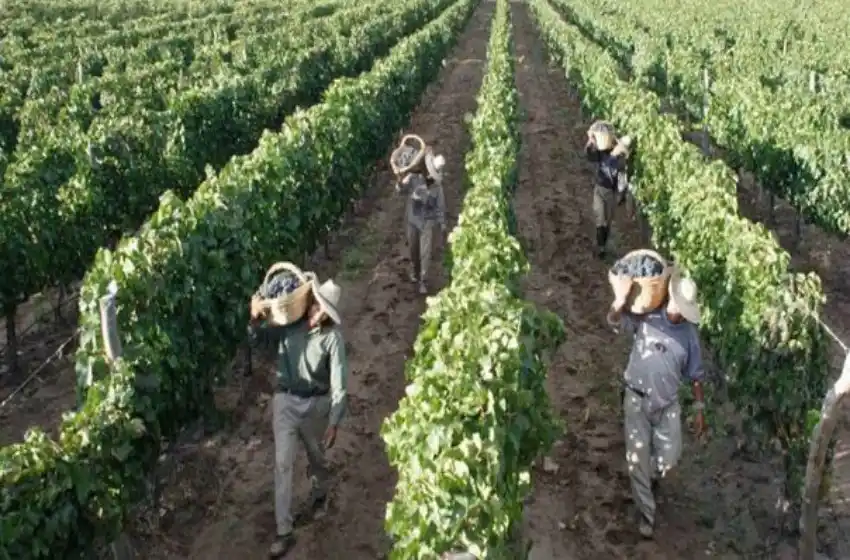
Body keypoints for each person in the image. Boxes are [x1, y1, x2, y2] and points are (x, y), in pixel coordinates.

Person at [249, 278, 349, 558]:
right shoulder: (288, 326)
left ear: (328, 316)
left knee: (317, 457)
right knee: (283, 463)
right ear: (309, 302)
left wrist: (334, 421)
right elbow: (260, 340)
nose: (316, 313)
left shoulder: (332, 339)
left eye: (322, 311)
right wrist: (254, 318)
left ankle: (320, 495)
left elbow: (339, 384)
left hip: (316, 404)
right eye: (314, 306)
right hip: (285, 401)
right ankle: (284, 531)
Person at [606, 266, 706, 539]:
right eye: (677, 304)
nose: (678, 310)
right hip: (636, 398)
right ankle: (646, 515)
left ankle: (651, 479)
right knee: (637, 460)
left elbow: (696, 375)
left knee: (669, 460)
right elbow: (615, 321)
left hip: (667, 406)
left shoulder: (689, 336)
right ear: (669, 296)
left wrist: (699, 409)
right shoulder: (646, 315)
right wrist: (619, 300)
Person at [395, 147, 447, 294]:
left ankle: (423, 280)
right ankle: (415, 272)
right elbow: (401, 190)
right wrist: (399, 180)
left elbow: (440, 206)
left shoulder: (437, 188)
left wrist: (442, 224)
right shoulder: (413, 177)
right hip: (413, 219)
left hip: (427, 223)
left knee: (425, 252)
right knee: (413, 250)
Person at [585, 121, 632, 258]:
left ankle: (602, 245)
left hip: (611, 193)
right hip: (599, 190)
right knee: (600, 219)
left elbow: (621, 178)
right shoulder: (604, 153)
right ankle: (601, 248)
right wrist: (590, 141)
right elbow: (590, 156)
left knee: (607, 223)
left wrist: (621, 195)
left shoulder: (619, 161)